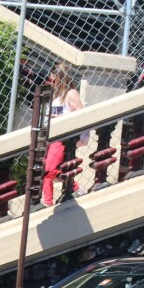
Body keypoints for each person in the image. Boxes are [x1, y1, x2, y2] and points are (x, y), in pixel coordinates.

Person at [43, 62, 84, 206]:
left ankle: (48, 202)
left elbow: (81, 115)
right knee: (51, 170)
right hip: (51, 138)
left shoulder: (70, 94)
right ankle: (74, 187)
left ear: (60, 77)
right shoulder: (55, 96)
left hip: (63, 138)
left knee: (49, 170)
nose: (51, 80)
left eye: (53, 78)